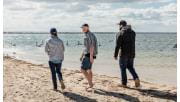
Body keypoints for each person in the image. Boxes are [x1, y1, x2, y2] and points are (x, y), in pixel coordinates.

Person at [114, 20, 140, 88]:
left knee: (123, 68)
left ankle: (124, 83)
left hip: (123, 53)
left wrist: (115, 55)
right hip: (132, 53)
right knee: (130, 67)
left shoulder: (120, 33)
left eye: (119, 25)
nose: (119, 27)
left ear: (121, 25)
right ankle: (136, 78)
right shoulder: (133, 32)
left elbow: (118, 45)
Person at [80, 24, 98, 91]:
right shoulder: (87, 34)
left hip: (89, 54)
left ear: (88, 27)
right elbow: (86, 47)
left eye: (84, 28)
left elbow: (92, 46)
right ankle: (90, 83)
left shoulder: (89, 35)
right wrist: (81, 55)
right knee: (89, 69)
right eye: (82, 28)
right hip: (88, 54)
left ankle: (90, 84)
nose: (83, 29)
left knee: (82, 69)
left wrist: (91, 56)